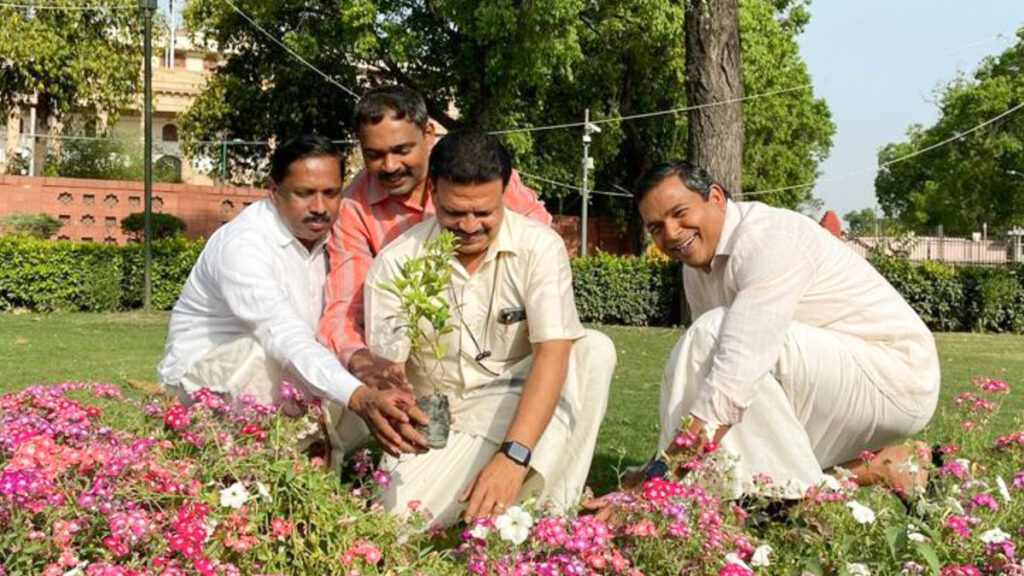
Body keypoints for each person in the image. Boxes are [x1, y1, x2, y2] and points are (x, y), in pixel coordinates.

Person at [596, 161, 940, 505]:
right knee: (728, 394)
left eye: (679, 213)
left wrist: (662, 478)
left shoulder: (769, 239)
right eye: (656, 227)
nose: (670, 233)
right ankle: (881, 468)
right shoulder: (697, 267)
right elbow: (710, 379)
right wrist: (658, 468)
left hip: (894, 378)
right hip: (828, 378)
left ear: (715, 197)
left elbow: (735, 375)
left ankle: (790, 506)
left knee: (715, 337)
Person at [364, 129, 616, 526]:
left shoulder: (540, 248)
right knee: (393, 526)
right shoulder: (398, 262)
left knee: (591, 350)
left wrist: (512, 457)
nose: (468, 226)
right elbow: (389, 372)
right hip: (440, 416)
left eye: (483, 213)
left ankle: (549, 518)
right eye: (454, 213)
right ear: (432, 192)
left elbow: (553, 352)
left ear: (503, 193)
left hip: (514, 404)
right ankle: (499, 508)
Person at [316, 85, 551, 463]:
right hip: (419, 361)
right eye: (375, 154)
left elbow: (540, 249)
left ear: (428, 134)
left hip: (499, 345)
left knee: (587, 352)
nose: (389, 166)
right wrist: (366, 365)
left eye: (401, 150)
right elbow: (346, 308)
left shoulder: (480, 172)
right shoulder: (355, 208)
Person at [157, 135, 427, 455]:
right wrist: (359, 396)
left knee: (352, 361)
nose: (319, 208)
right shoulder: (243, 246)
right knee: (264, 356)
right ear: (274, 191)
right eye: (303, 193)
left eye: (330, 193)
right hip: (205, 384)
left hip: (288, 368)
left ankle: (325, 461)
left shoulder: (336, 236)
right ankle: (261, 465)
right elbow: (283, 335)